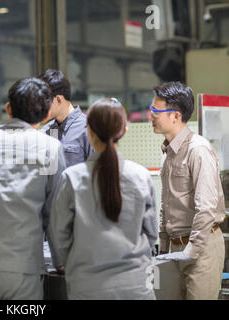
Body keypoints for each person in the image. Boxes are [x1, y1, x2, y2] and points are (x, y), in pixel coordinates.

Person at [0, 77, 66, 300]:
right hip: (22, 268)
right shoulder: (50, 148)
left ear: (8, 108)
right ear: (46, 114)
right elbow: (55, 214)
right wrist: (59, 260)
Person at [49, 98, 158, 300]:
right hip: (136, 286)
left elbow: (59, 238)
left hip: (87, 287)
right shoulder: (141, 176)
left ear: (89, 132)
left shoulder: (71, 179)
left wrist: (77, 263)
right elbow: (151, 235)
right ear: (124, 131)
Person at [150, 82, 225, 300]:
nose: (151, 115)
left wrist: (190, 252)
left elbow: (206, 209)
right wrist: (164, 249)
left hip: (201, 249)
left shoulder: (198, 150)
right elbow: (166, 205)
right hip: (175, 250)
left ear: (175, 115)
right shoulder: (168, 152)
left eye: (156, 110)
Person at [39, 69, 92, 167]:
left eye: (44, 103)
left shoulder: (89, 129)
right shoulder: (46, 131)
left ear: (58, 99)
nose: (41, 107)